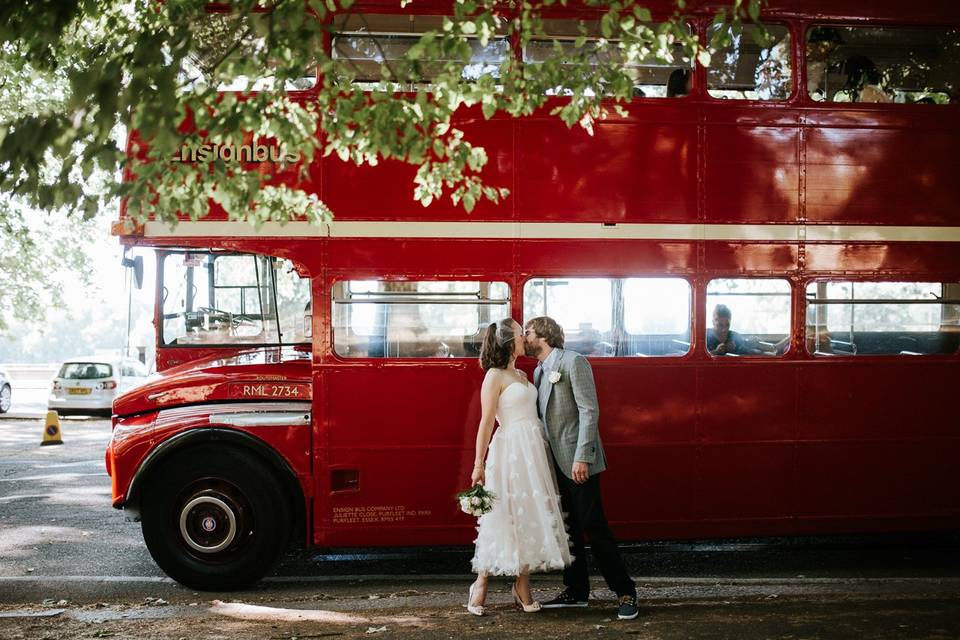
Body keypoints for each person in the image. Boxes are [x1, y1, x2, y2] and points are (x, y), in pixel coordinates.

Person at [524, 316, 640, 621]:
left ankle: (625, 591)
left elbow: (590, 410)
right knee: (568, 528)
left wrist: (582, 457)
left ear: (544, 336)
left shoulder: (573, 362)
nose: (525, 337)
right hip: (555, 463)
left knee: (594, 526)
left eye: (529, 332)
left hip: (578, 461)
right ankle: (576, 591)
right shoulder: (538, 371)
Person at [467, 318, 573, 616]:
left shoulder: (525, 374)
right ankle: (481, 582)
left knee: (528, 514)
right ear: (507, 341)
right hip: (508, 450)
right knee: (502, 514)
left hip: (533, 451)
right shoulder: (494, 376)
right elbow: (486, 423)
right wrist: (478, 464)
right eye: (519, 334)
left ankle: (522, 584)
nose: (524, 338)